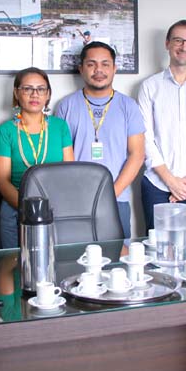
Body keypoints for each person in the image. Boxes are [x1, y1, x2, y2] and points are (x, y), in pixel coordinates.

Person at [56, 42, 145, 237]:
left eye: (105, 64)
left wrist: (110, 194)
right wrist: (78, 195)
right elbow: (61, 158)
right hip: (75, 201)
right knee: (76, 260)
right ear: (81, 69)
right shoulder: (66, 106)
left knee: (118, 261)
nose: (99, 70)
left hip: (117, 199)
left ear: (114, 68)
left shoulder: (128, 106)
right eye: (91, 64)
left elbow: (137, 154)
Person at [138, 19, 186, 232]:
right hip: (157, 184)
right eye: (178, 40)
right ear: (167, 44)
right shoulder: (149, 86)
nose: (185, 47)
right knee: (158, 253)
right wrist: (170, 181)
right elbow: (145, 138)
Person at [0, 68, 74, 249]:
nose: (34, 94)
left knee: (54, 265)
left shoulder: (60, 126)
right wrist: (28, 210)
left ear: (48, 95)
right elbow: (2, 180)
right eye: (27, 89)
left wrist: (48, 211)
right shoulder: (5, 131)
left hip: (56, 208)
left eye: (41, 89)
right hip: (15, 209)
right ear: (16, 93)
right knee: (13, 266)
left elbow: (69, 173)